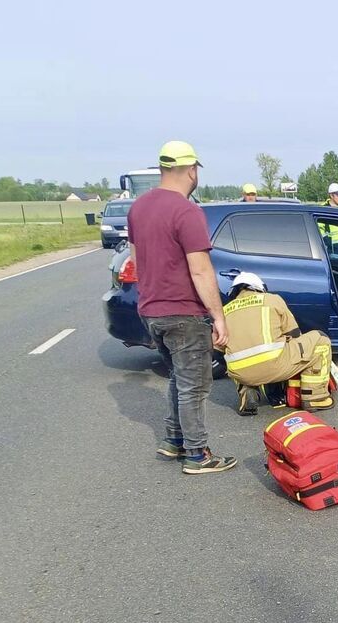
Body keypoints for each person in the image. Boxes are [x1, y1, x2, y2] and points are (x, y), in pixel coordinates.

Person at [126, 140, 236, 474]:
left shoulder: (138, 208)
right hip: (184, 313)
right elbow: (201, 269)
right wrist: (219, 317)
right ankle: (198, 454)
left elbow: (135, 260)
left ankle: (174, 439)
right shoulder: (187, 211)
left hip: (150, 310)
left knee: (178, 376)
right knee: (196, 385)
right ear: (191, 170)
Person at [218, 272, 337, 414]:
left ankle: (248, 390)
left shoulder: (224, 311)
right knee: (321, 340)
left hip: (243, 374)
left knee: (235, 358)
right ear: (259, 288)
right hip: (276, 366)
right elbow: (294, 334)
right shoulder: (272, 300)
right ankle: (315, 397)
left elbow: (218, 352)